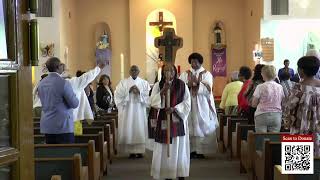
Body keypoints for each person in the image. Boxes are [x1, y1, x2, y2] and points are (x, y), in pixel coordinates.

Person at [150, 64, 191, 180]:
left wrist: (175, 109)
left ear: (175, 72)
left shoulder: (182, 85)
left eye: (171, 70)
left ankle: (178, 173)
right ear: (162, 72)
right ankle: (165, 173)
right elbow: (152, 101)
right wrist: (163, 91)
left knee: (178, 145)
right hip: (163, 118)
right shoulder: (158, 85)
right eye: (166, 70)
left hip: (177, 119)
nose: (169, 72)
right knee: (163, 147)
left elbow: (187, 103)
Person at [180, 53, 218, 159]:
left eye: (196, 61)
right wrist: (188, 84)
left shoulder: (207, 74)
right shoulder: (185, 74)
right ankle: (191, 150)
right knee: (190, 124)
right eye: (192, 61)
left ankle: (200, 151)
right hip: (189, 102)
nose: (193, 63)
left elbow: (208, 88)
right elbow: (181, 86)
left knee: (201, 124)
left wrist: (197, 83)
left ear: (200, 62)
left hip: (202, 103)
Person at [283, 56, 320, 157]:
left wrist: (287, 123)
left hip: (300, 128)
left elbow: (288, 108)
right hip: (317, 130)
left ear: (301, 70)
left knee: (298, 166)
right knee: (317, 165)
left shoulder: (298, 88)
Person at [37, 57, 79, 144]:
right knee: (66, 154)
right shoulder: (63, 83)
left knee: (52, 155)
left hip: (47, 126)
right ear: (58, 67)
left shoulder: (41, 83)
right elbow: (74, 104)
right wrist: (74, 94)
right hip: (63, 126)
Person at [114, 65, 150, 158]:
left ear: (139, 72)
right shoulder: (123, 82)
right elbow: (117, 95)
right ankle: (131, 152)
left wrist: (139, 92)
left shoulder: (144, 83)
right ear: (129, 72)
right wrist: (128, 91)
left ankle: (140, 151)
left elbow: (148, 96)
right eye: (132, 70)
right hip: (128, 111)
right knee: (130, 129)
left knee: (139, 128)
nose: (134, 71)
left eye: (136, 70)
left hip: (139, 110)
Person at [251, 65, 284, 133]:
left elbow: (254, 104)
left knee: (261, 139)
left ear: (263, 74)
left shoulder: (260, 87)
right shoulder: (280, 87)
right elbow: (282, 101)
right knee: (273, 140)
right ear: (275, 75)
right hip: (276, 115)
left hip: (261, 115)